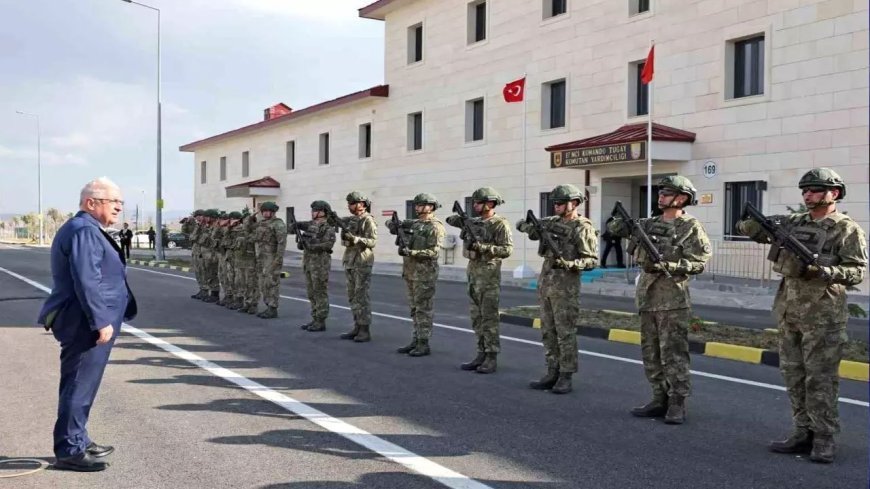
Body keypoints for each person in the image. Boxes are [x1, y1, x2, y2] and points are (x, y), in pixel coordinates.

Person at [736, 168, 867, 463]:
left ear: (833, 193)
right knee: (794, 375)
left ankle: (824, 438)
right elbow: (751, 230)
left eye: (814, 190)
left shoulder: (846, 229)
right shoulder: (794, 223)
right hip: (789, 310)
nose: (807, 195)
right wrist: (754, 224)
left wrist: (826, 271)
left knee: (820, 379)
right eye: (805, 190)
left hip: (823, 314)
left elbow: (856, 271)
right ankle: (801, 431)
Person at [36, 177, 137, 472]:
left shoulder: (87, 228)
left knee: (83, 383)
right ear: (91, 203)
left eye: (121, 202)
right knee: (79, 383)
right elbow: (86, 278)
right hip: (84, 322)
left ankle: (78, 437)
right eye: (113, 202)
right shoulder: (84, 230)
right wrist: (100, 320)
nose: (119, 207)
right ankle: (69, 449)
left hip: (86, 320)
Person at [608, 176, 711, 423]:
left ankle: (677, 402)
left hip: (672, 297)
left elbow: (700, 260)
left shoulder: (690, 226)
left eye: (667, 193)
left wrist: (673, 264)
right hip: (647, 295)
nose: (661, 196)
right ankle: (658, 396)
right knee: (650, 351)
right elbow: (614, 228)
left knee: (673, 353)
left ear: (682, 198)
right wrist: (621, 224)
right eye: (660, 192)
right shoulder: (648, 223)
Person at [517, 184, 598, 394]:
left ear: (575, 203)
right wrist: (530, 228)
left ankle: (566, 375)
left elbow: (590, 260)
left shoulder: (582, 227)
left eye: (561, 203)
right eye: (555, 203)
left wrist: (571, 264)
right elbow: (524, 225)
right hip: (546, 283)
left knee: (565, 333)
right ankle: (552, 370)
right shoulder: (551, 223)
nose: (557, 206)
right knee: (548, 331)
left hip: (566, 287)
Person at [446, 187, 513, 374]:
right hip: (473, 274)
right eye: (474, 202)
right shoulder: (474, 222)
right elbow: (450, 219)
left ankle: (491, 356)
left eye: (478, 202)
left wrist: (485, 247)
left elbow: (507, 249)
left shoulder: (500, 224)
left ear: (490, 204)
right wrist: (465, 221)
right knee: (477, 318)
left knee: (489, 318)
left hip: (489, 275)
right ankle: (481, 352)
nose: (475, 205)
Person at [387, 193, 445, 357]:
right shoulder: (414, 223)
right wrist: (394, 225)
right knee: (414, 308)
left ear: (431, 207)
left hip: (424, 274)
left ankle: (424, 343)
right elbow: (391, 224)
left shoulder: (435, 226)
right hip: (411, 272)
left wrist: (412, 252)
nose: (418, 208)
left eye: (421, 205)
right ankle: (416, 339)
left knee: (423, 309)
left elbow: (434, 251)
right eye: (417, 205)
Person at [330, 191, 378, 342]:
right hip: (350, 261)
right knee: (352, 296)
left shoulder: (368, 220)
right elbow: (335, 223)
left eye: (352, 203)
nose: (349, 206)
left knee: (361, 296)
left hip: (362, 262)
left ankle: (364, 329)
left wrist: (356, 239)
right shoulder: (351, 220)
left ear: (361, 204)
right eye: (349, 203)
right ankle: (357, 325)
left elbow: (372, 242)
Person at [298, 200, 336, 331]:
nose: (313, 213)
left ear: (323, 212)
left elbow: (328, 245)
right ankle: (314, 318)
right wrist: (302, 243)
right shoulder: (312, 226)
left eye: (316, 210)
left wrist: (312, 246)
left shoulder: (328, 227)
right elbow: (304, 240)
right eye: (313, 210)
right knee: (311, 292)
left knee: (320, 292)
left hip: (320, 263)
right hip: (308, 262)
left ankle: (321, 320)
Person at [254, 202, 287, 318]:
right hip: (261, 258)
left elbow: (281, 244)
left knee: (271, 283)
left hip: (272, 258)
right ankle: (268, 305)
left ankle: (273, 308)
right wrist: (252, 215)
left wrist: (278, 260)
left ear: (273, 212)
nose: (266, 213)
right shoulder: (261, 224)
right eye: (264, 211)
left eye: (268, 211)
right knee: (262, 283)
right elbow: (248, 229)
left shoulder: (278, 224)